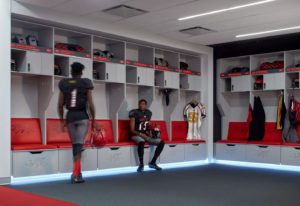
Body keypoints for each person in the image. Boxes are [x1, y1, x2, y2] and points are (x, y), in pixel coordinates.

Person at [58, 62, 99, 184]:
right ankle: (76, 174)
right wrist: (94, 120)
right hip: (82, 117)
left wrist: (62, 120)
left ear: (71, 72)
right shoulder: (86, 82)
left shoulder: (64, 83)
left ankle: (77, 173)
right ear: (81, 72)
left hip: (70, 116)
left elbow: (60, 105)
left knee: (76, 145)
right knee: (78, 145)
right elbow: (90, 103)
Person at [129, 99, 165, 172]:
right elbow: (131, 130)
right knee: (141, 141)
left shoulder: (149, 113)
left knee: (161, 142)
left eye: (143, 104)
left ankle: (153, 162)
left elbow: (147, 125)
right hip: (135, 134)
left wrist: (154, 128)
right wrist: (141, 134)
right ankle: (141, 164)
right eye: (140, 104)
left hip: (145, 135)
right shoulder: (134, 113)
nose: (141, 105)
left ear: (146, 105)